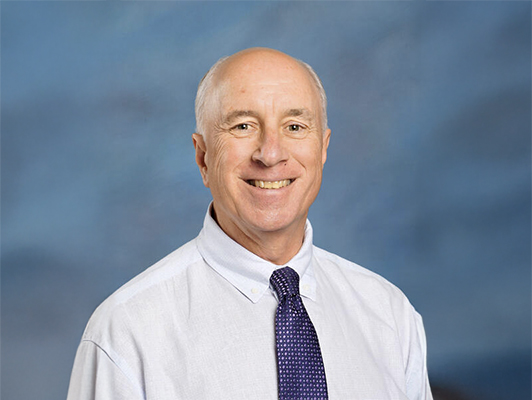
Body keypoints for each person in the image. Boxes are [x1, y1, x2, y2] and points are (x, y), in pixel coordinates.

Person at [67, 47, 433, 400]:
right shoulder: (127, 332)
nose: (270, 154)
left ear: (322, 148)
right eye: (243, 126)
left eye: (294, 126)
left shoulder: (390, 316)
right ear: (202, 156)